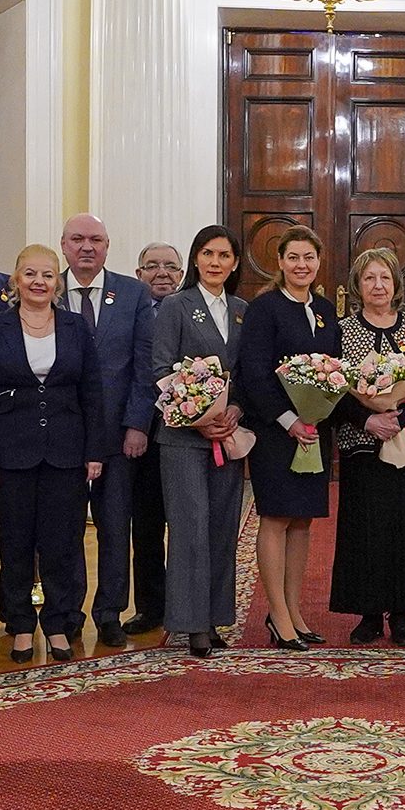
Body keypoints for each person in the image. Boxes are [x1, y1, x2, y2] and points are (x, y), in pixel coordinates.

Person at [0, 244, 107, 661]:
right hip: (10, 454)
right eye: (30, 274)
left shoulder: (77, 327)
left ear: (57, 283)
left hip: (67, 451)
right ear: (15, 281)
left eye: (47, 275)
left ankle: (59, 624)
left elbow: (93, 393)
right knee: (16, 542)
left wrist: (94, 451)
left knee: (62, 542)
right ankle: (21, 623)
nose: (39, 282)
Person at [60, 213, 162, 647]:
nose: (87, 246)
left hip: (120, 438)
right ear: (64, 244)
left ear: (107, 246)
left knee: (116, 529)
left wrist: (138, 424)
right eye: (78, 239)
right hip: (60, 436)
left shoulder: (134, 293)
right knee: (63, 529)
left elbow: (145, 368)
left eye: (96, 239)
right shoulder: (45, 288)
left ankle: (108, 613)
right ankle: (66, 610)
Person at [237, 225, 339, 649]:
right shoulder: (265, 309)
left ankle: (295, 610)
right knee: (277, 517)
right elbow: (254, 374)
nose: (301, 265)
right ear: (279, 262)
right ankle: (277, 614)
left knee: (302, 521)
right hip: (277, 433)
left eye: (309, 258)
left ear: (318, 263)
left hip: (316, 431)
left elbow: (334, 369)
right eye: (293, 257)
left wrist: (314, 418)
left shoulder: (326, 310)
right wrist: (288, 421)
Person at [150, 224, 249, 658]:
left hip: (227, 436)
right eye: (208, 254)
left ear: (235, 263)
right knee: (190, 530)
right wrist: (196, 417)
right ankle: (190, 625)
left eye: (224, 256)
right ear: (195, 259)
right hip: (183, 439)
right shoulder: (176, 306)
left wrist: (235, 411)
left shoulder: (244, 310)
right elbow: (160, 368)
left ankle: (213, 617)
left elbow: (248, 374)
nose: (215, 263)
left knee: (223, 528)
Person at [332, 247, 405, 645]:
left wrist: (399, 420)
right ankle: (369, 614)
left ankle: (403, 613)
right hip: (363, 444)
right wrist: (368, 419)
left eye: (384, 278)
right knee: (365, 529)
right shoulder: (343, 329)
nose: (377, 285)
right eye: (369, 278)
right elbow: (334, 388)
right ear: (358, 285)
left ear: (396, 286)